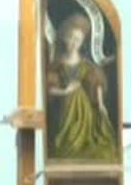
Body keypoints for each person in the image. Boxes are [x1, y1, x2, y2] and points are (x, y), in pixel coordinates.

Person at [47, 13, 117, 161]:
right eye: (71, 38)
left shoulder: (86, 64)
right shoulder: (57, 65)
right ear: (65, 38)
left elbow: (96, 83)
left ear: (82, 42)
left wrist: (101, 104)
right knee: (67, 141)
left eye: (77, 40)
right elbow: (49, 88)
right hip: (65, 109)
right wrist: (65, 91)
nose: (74, 42)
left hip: (85, 110)